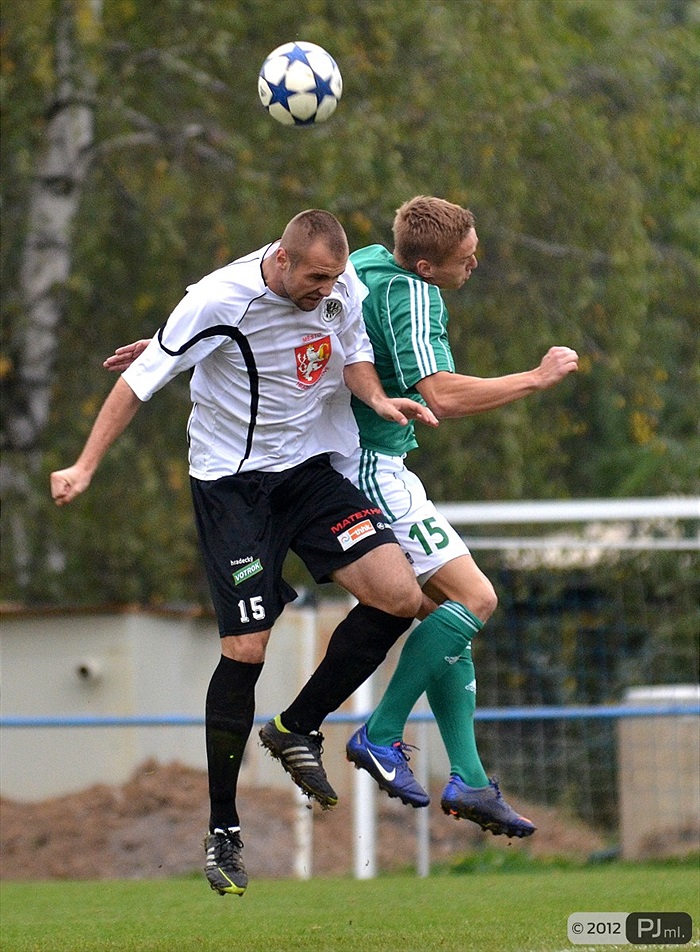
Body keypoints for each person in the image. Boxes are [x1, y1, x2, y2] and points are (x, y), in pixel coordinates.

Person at [50, 209, 439, 898]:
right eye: (315, 277)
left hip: (309, 476)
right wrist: (84, 466)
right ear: (283, 261)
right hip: (233, 490)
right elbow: (137, 382)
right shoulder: (216, 299)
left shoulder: (339, 288)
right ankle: (224, 830)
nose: (326, 289)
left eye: (333, 277)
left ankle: (297, 726)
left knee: (399, 597)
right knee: (247, 649)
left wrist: (380, 398)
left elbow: (352, 358)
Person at [264, 196, 578, 838]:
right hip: (371, 466)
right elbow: (441, 394)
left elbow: (272, 274)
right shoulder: (414, 295)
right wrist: (535, 379)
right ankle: (379, 734)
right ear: (429, 265)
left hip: (351, 461)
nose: (475, 266)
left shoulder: (371, 263)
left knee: (446, 620)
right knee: (477, 598)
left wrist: (171, 342)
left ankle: (468, 778)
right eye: (467, 260)